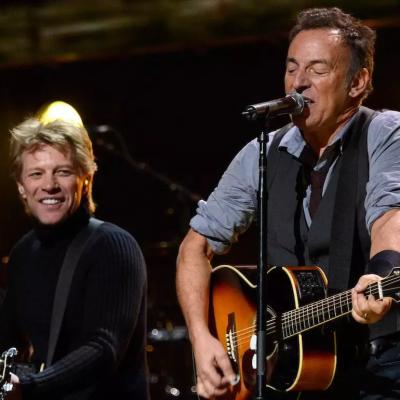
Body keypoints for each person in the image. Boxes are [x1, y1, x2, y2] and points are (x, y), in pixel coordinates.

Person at [176, 7, 400, 400]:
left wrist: (380, 271)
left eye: (317, 69)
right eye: (292, 68)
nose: (298, 83)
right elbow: (195, 249)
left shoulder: (385, 132)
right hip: (295, 375)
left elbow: (390, 216)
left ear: (357, 81)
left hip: (381, 362)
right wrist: (202, 340)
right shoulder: (264, 150)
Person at [1, 117, 149, 399]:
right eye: (36, 174)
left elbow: (104, 348)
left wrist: (31, 386)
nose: (49, 185)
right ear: (21, 186)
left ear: (86, 179)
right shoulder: (23, 252)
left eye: (63, 172)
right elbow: (7, 338)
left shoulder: (112, 245)